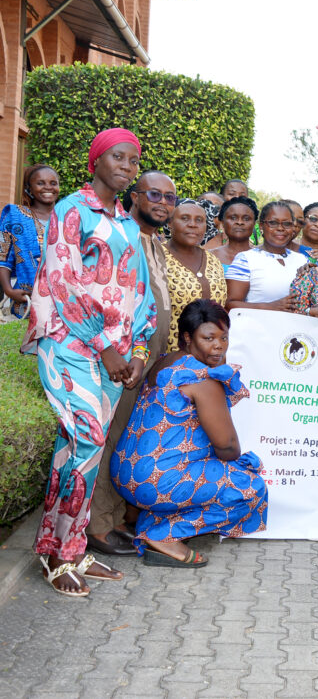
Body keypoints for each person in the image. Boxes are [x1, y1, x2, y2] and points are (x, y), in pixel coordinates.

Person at [23, 128, 156, 596]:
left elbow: (140, 295)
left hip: (116, 357)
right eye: (117, 157)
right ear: (95, 161)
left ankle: (66, 547)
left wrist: (137, 352)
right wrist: (106, 347)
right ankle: (60, 554)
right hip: (71, 346)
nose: (126, 166)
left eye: (133, 161)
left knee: (79, 450)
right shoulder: (70, 211)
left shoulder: (127, 226)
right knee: (89, 438)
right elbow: (62, 284)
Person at [111, 299, 268, 567]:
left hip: (124, 473)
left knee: (204, 467)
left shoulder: (166, 361)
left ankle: (147, 517)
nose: (219, 345)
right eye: (209, 338)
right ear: (187, 337)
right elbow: (228, 448)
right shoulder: (202, 378)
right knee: (251, 488)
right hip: (156, 482)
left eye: (224, 337)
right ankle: (163, 535)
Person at [87, 170, 176, 558]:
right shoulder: (120, 236)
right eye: (154, 194)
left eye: (170, 198)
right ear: (135, 196)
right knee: (108, 439)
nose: (163, 202)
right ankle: (97, 527)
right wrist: (124, 354)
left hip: (145, 357)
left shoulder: (153, 242)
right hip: (121, 358)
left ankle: (112, 517)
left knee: (124, 437)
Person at [164, 200, 228, 352]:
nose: (193, 224)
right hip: (168, 357)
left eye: (199, 220)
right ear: (170, 224)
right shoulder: (156, 257)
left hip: (210, 358)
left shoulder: (213, 260)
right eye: (185, 218)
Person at [1, 164, 59, 318]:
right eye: (40, 183)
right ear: (28, 188)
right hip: (27, 303)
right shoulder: (15, 215)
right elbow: (3, 257)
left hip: (65, 304)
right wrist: (8, 290)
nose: (48, 187)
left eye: (53, 183)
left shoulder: (68, 217)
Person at [225, 201, 306, 312]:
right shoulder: (246, 259)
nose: (280, 228)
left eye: (287, 224)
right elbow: (230, 304)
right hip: (257, 327)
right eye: (273, 223)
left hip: (297, 328)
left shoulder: (301, 260)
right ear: (261, 226)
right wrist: (270, 307)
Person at [209, 196, 257, 267]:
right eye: (233, 218)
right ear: (223, 222)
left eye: (246, 219)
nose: (239, 222)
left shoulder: (264, 258)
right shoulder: (209, 257)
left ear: (254, 223)